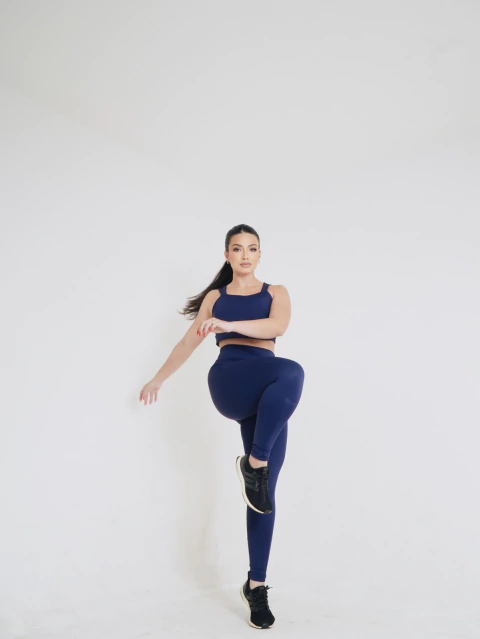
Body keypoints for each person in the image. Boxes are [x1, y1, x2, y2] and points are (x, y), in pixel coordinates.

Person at [139, 223, 305, 629]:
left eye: (252, 248)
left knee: (262, 496)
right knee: (293, 371)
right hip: (231, 382)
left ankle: (256, 585)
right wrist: (157, 379)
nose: (245, 255)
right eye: (237, 248)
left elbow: (277, 328)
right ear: (227, 255)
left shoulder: (277, 293)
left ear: (260, 254)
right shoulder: (216, 298)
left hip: (269, 393)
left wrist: (230, 325)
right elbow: (187, 343)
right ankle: (255, 463)